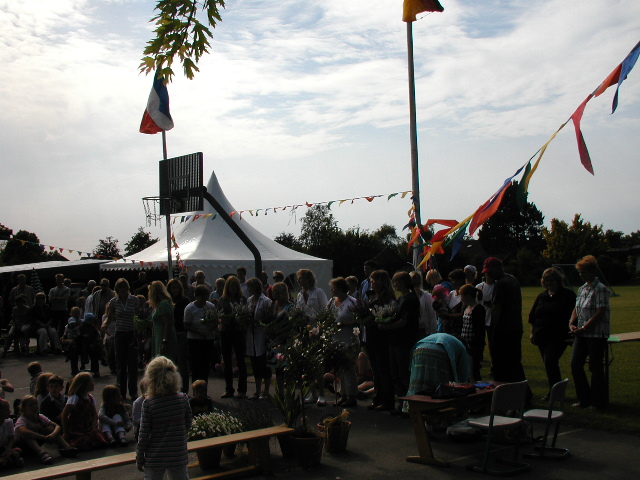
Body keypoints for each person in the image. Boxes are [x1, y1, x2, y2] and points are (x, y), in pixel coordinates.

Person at [482, 257, 531, 402]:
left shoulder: (501, 284)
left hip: (503, 330)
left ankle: (502, 396)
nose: (488, 274)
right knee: (515, 363)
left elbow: (497, 309)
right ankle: (524, 394)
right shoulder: (512, 279)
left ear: (498, 268)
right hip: (515, 327)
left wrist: (493, 330)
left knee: (501, 366)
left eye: (490, 271)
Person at [136, 356, 192, 480]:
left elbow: (144, 435)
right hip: (178, 454)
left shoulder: (149, 404)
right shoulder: (183, 399)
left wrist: (139, 457)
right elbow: (188, 423)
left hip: (155, 456)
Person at [529, 268, 576, 400]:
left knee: (550, 360)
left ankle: (555, 393)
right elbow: (533, 316)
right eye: (547, 280)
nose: (549, 283)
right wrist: (532, 333)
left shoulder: (568, 295)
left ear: (558, 280)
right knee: (549, 363)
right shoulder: (542, 296)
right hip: (542, 335)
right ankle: (556, 391)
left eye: (552, 280)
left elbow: (575, 314)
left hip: (559, 335)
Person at [570, 255, 611, 409]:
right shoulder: (582, 288)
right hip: (581, 334)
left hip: (596, 334)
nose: (582, 275)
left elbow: (600, 312)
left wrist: (585, 327)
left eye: (584, 272)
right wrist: (572, 323)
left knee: (595, 367)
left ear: (593, 271)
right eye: (580, 272)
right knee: (576, 365)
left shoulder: (601, 289)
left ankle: (598, 401)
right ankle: (584, 399)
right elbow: (577, 308)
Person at [379, 271, 420, 415]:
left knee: (403, 374)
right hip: (395, 341)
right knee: (395, 373)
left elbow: (403, 321)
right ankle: (401, 403)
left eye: (395, 282)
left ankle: (408, 405)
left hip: (404, 341)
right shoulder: (402, 298)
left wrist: (386, 326)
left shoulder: (410, 299)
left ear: (401, 283)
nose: (394, 284)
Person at [364, 270, 397, 411]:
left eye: (374, 281)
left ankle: (387, 399)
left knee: (384, 369)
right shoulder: (372, 296)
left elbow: (387, 315)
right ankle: (378, 397)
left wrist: (373, 320)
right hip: (371, 335)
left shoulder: (387, 298)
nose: (372, 284)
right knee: (376, 370)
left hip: (381, 336)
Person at [103, 278, 140, 400]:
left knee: (132, 364)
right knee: (121, 364)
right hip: (120, 333)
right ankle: (121, 392)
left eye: (124, 287)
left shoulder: (134, 300)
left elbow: (139, 315)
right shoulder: (114, 302)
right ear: (117, 289)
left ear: (127, 288)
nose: (123, 290)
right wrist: (104, 325)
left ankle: (133, 391)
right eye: (120, 288)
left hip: (132, 333)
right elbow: (109, 317)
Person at [15, 395, 78, 463]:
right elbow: (24, 431)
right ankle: (42, 453)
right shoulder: (22, 420)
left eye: (36, 404)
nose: (34, 407)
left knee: (49, 428)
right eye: (31, 405)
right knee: (27, 435)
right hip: (21, 445)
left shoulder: (39, 416)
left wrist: (52, 435)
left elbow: (57, 426)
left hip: (36, 441)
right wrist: (43, 437)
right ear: (23, 408)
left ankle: (67, 447)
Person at [328, 277, 360, 408]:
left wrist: (345, 324)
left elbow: (359, 319)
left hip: (348, 339)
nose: (332, 290)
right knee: (339, 369)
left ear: (340, 288)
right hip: (335, 340)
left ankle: (352, 395)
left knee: (349, 368)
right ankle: (342, 394)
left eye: (334, 287)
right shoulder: (331, 302)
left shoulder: (352, 302)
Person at [405, 333, 471, 396]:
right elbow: (463, 373)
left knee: (417, 381)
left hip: (419, 349)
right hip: (439, 350)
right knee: (440, 387)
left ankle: (413, 402)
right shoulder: (461, 346)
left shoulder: (448, 339)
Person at [218, 276, 248, 399]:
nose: (234, 288)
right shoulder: (223, 299)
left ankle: (242, 389)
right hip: (226, 331)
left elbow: (244, 314)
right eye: (231, 286)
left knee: (241, 361)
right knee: (227, 361)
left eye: (235, 286)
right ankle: (229, 389)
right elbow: (220, 314)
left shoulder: (242, 299)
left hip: (238, 331)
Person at [61, 372, 107, 451]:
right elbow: (64, 415)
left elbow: (94, 414)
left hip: (87, 426)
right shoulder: (75, 398)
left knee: (100, 441)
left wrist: (93, 426)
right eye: (91, 382)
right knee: (84, 441)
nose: (93, 384)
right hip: (76, 428)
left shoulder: (90, 398)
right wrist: (65, 432)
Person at [183, 285, 217, 384]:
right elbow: (186, 325)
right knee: (196, 365)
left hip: (208, 339)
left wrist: (212, 326)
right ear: (196, 296)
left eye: (205, 297)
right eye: (202, 297)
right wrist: (199, 332)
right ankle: (196, 386)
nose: (204, 299)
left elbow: (215, 320)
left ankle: (204, 386)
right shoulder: (190, 308)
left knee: (206, 365)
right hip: (194, 339)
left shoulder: (211, 306)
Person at [245, 278, 273, 400]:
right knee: (255, 363)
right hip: (251, 334)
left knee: (264, 363)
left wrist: (258, 321)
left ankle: (266, 390)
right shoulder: (249, 300)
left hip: (262, 334)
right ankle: (257, 390)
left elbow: (269, 318)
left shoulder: (266, 301)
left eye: (249, 287)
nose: (248, 289)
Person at [167, 278, 191, 392]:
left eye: (177, 287)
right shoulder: (167, 301)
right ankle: (172, 388)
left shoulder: (184, 301)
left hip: (181, 332)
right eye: (173, 288)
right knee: (170, 362)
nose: (175, 290)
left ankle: (184, 389)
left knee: (182, 362)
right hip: (170, 333)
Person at [459, 284, 486, 381]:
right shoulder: (467, 308)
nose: (461, 298)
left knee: (474, 370)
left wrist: (473, 344)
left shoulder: (478, 309)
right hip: (466, 343)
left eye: (462, 296)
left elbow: (479, 329)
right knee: (468, 369)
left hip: (474, 345)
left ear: (468, 296)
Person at [148, 281, 177, 364]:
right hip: (158, 337)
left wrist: (165, 341)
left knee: (164, 363)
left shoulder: (163, 304)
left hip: (163, 337)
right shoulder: (159, 305)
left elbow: (168, 323)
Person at [410, 271, 437, 338]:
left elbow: (432, 315)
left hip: (423, 330)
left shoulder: (426, 296)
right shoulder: (408, 296)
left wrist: (432, 333)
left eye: (417, 282)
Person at [0, 398, 24, 469]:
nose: (10, 411)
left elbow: (11, 438)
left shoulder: (9, 422)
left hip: (2, 449)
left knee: (17, 451)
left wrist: (8, 449)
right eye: (7, 410)